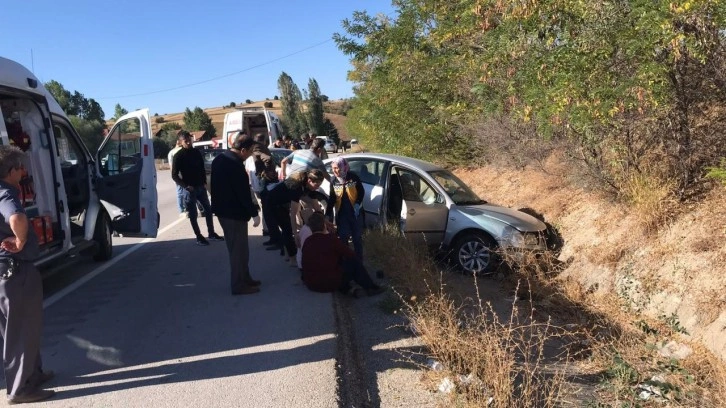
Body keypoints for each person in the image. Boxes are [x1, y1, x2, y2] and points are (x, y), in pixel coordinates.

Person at [0, 146, 56, 404]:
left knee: (16, 328)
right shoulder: (6, 194)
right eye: (21, 167)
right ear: (11, 172)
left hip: (4, 274)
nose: (24, 171)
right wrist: (21, 242)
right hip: (15, 271)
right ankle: (20, 390)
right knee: (23, 329)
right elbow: (18, 219)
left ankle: (33, 374)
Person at [211, 133, 262, 295]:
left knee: (242, 249)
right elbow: (242, 192)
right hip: (233, 213)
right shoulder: (234, 163)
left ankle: (245, 278)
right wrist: (254, 213)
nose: (250, 155)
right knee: (237, 251)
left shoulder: (220, 159)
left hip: (225, 211)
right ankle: (238, 285)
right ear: (243, 149)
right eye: (250, 151)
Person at [301, 212, 384, 297]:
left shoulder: (307, 241)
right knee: (353, 263)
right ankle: (371, 287)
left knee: (334, 266)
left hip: (311, 284)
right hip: (329, 283)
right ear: (324, 226)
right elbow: (350, 254)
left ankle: (349, 290)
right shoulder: (330, 239)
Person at [171, 131, 224, 246]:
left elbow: (201, 168)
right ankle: (199, 236)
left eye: (190, 140)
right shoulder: (178, 156)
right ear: (180, 142)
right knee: (193, 215)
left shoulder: (196, 152)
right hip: (189, 190)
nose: (189, 142)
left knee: (208, 211)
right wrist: (186, 186)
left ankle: (211, 233)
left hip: (200, 187)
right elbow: (174, 175)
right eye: (186, 141)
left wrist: (204, 182)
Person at [264, 169, 326, 263]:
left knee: (287, 228)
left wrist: (326, 222)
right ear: (309, 181)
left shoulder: (310, 186)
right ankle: (292, 258)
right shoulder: (296, 187)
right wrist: (296, 234)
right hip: (273, 204)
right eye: (316, 185)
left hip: (283, 202)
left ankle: (286, 254)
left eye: (319, 185)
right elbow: (293, 214)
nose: (317, 188)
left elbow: (316, 206)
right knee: (288, 229)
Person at [327, 157, 365, 259]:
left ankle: (358, 263)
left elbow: (361, 192)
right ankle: (347, 262)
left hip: (355, 214)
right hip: (343, 215)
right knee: (343, 238)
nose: (334, 170)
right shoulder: (334, 181)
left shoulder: (353, 177)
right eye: (333, 168)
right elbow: (332, 198)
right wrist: (327, 214)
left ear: (343, 167)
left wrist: (357, 204)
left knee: (357, 239)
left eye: (336, 168)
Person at [247, 133, 276, 238]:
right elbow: (267, 159)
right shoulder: (259, 149)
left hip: (255, 185)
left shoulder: (250, 153)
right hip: (262, 183)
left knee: (264, 208)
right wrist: (267, 171)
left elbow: (248, 170)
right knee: (267, 208)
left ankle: (266, 229)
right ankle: (268, 229)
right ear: (264, 141)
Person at [167, 138, 186, 217]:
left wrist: (174, 175)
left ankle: (181, 209)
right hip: (183, 174)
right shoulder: (181, 151)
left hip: (176, 174)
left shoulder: (171, 152)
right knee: (184, 191)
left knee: (180, 192)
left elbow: (171, 166)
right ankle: (183, 209)